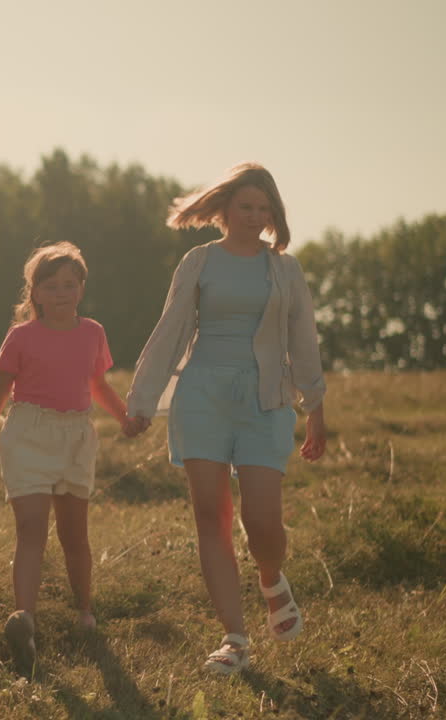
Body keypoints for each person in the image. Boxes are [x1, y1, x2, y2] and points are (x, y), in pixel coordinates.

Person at [125, 163, 326, 675]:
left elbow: (303, 341)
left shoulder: (285, 269)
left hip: (266, 401)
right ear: (224, 211)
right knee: (210, 519)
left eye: (264, 209)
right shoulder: (199, 261)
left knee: (262, 521)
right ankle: (234, 640)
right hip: (203, 398)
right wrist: (143, 401)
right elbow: (170, 330)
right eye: (246, 208)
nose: (255, 217)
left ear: (272, 214)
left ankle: (271, 574)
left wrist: (316, 408)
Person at [0, 242, 130, 678]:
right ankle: (25, 621)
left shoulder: (92, 332)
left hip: (76, 437)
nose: (61, 293)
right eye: (51, 286)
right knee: (31, 530)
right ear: (34, 292)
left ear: (81, 289)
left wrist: (126, 418)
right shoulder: (22, 337)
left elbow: (98, 384)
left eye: (69, 285)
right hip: (28, 436)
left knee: (75, 534)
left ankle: (84, 611)